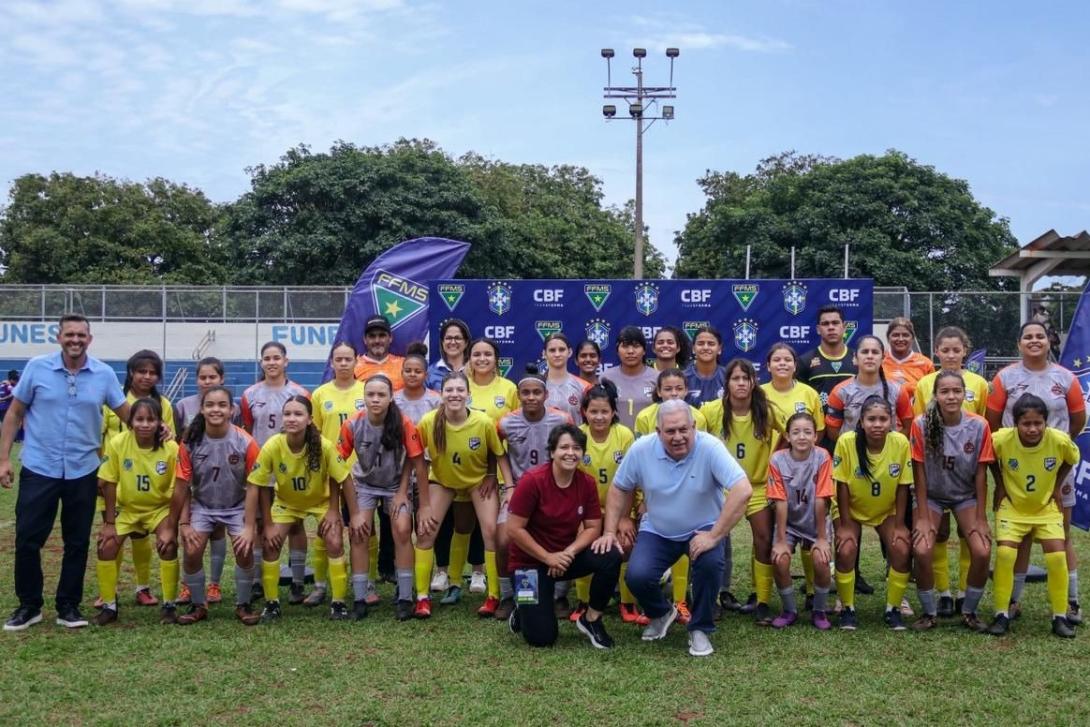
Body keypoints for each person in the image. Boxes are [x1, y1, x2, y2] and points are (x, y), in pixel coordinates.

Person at [593, 400, 753, 657]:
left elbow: (742, 489)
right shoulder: (642, 449)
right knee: (637, 575)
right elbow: (619, 487)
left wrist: (714, 535)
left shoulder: (711, 447)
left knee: (710, 565)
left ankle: (699, 628)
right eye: (670, 431)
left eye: (683, 430)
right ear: (658, 432)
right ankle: (661, 613)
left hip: (703, 528)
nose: (678, 437)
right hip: (657, 529)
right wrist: (610, 531)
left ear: (694, 426)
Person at [1, 314, 127, 632]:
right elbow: (15, 414)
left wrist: (157, 425)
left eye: (81, 335)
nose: (75, 340)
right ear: (59, 337)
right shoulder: (37, 368)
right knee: (28, 539)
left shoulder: (103, 374)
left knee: (77, 541)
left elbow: (127, 413)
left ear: (90, 339)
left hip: (83, 469)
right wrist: (3, 459)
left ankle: (67, 606)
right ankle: (29, 606)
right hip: (39, 467)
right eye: (69, 334)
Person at [987, 321, 1086, 625]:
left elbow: (1078, 421)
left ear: (1049, 341)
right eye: (1027, 337)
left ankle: (1071, 603)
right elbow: (991, 424)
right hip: (1017, 467)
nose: (1034, 341)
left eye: (1039, 336)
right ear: (1019, 344)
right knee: (1020, 538)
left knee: (1062, 535)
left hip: (1052, 467)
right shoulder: (1005, 378)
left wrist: (1053, 447)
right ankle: (1012, 601)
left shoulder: (1065, 378)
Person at [507, 425, 622, 649]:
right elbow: (513, 529)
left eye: (577, 448)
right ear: (552, 452)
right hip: (527, 563)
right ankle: (523, 607)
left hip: (565, 558)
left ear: (582, 453)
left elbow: (592, 527)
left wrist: (568, 552)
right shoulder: (532, 480)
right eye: (564, 447)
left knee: (611, 554)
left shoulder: (586, 483)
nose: (571, 453)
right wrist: (548, 557)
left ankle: (591, 619)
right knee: (541, 638)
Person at [412, 372, 515, 619]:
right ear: (442, 394)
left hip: (477, 482)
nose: (455, 394)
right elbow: (416, 461)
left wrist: (505, 484)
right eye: (450, 390)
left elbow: (498, 453)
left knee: (490, 531)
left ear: (468, 394)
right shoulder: (428, 421)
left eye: (460, 390)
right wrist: (423, 503)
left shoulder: (483, 421)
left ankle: (493, 596)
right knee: (426, 531)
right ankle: (422, 598)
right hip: (444, 482)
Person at [248, 396, 352, 622]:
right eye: (288, 414)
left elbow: (342, 478)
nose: (292, 419)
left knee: (334, 540)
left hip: (320, 502)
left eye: (298, 414)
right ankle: (272, 603)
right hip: (286, 504)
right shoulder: (273, 445)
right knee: (270, 544)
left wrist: (335, 511)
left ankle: (339, 603)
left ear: (309, 420)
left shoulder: (323, 445)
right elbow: (260, 484)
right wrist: (267, 524)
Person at [987, 394, 1080, 638]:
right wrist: (1000, 483)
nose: (1032, 429)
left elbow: (1071, 460)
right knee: (1006, 553)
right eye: (1026, 424)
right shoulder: (1001, 439)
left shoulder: (1059, 441)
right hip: (1013, 507)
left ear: (1046, 423)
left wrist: (1057, 487)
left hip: (1045, 508)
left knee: (1057, 556)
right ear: (1015, 423)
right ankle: (1001, 613)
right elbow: (989, 459)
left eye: (1038, 423)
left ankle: (1059, 616)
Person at [339, 375, 431, 622]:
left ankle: (404, 596)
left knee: (402, 529)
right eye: (371, 394)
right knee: (359, 532)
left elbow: (418, 464)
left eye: (381, 395)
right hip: (365, 485)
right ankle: (359, 597)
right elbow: (336, 464)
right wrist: (351, 507)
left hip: (395, 485)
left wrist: (418, 502)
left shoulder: (404, 423)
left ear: (391, 397)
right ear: (364, 397)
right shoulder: (352, 424)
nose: (376, 399)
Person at [911, 326, 990, 613]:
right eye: (944, 391)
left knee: (979, 547)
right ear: (935, 394)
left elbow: (981, 472)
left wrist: (982, 517)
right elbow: (918, 468)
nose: (952, 396)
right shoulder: (921, 422)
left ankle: (967, 608)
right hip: (932, 492)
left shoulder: (979, 421)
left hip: (964, 491)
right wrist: (920, 514)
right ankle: (935, 606)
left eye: (957, 391)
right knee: (925, 544)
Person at [172, 386, 263, 625]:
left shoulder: (246, 442)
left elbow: (255, 485)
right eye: (210, 405)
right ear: (201, 409)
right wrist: (183, 522)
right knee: (192, 550)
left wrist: (249, 526)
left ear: (231, 409)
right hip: (202, 506)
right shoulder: (190, 441)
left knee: (244, 549)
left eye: (222, 405)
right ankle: (198, 604)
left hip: (236, 506)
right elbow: (183, 484)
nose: (216, 409)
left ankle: (243, 604)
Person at [700, 358, 782, 624]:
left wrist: (780, 459)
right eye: (735, 379)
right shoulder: (712, 411)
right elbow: (694, 439)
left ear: (753, 382)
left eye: (746, 379)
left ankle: (762, 600)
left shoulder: (766, 410)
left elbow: (795, 432)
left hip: (757, 487)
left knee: (763, 539)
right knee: (715, 539)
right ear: (727, 383)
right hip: (722, 489)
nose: (741, 383)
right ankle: (711, 599)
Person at [96, 349, 177, 610]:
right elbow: (98, 436)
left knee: (142, 539)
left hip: (150, 481)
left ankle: (143, 587)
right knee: (112, 537)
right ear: (131, 372)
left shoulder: (163, 404)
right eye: (142, 371)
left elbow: (169, 441)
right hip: (116, 479)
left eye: (153, 372)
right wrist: (101, 471)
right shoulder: (114, 399)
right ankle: (109, 593)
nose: (147, 376)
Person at [635, 368, 710, 624]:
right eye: (668, 389)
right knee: (649, 553)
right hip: (657, 494)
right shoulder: (646, 416)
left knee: (692, 545)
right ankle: (652, 605)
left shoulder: (697, 415)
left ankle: (681, 600)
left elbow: (703, 456)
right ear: (658, 391)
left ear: (686, 390)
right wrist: (642, 500)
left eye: (678, 388)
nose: (674, 393)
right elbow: (642, 464)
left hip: (691, 493)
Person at [832, 396, 914, 630]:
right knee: (846, 548)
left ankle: (893, 609)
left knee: (901, 547)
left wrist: (899, 524)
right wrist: (846, 525)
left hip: (886, 509)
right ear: (861, 421)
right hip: (850, 508)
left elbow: (902, 486)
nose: (877, 424)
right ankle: (847, 608)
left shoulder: (900, 443)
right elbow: (842, 485)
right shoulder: (847, 442)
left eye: (882, 419)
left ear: (892, 421)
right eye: (871, 419)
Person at [496, 369, 571, 620]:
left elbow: (571, 451)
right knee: (504, 539)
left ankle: (559, 595)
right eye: (526, 393)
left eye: (536, 392)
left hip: (552, 488)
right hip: (519, 489)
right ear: (518, 395)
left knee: (560, 537)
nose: (531, 397)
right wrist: (508, 485)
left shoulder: (561, 420)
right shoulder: (506, 422)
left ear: (546, 394)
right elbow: (497, 451)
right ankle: (507, 596)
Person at [240, 341, 311, 604]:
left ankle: (298, 581)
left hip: (290, 469)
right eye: (266, 358)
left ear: (285, 361)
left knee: (295, 523)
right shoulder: (250, 395)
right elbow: (247, 430)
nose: (271, 362)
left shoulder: (299, 392)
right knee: (260, 523)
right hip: (261, 469)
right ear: (261, 363)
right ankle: (259, 580)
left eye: (276, 358)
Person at [761, 342, 827, 610]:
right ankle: (766, 599)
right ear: (768, 365)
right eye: (776, 360)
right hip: (776, 469)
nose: (782, 364)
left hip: (805, 469)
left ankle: (814, 594)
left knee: (813, 543)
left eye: (787, 359)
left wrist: (803, 455)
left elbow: (819, 430)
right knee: (771, 541)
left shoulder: (808, 393)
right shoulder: (759, 394)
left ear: (795, 364)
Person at [172, 356, 239, 607]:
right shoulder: (183, 406)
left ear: (221, 378)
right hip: (194, 473)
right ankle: (188, 586)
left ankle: (214, 584)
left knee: (217, 529)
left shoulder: (232, 406)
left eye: (213, 377)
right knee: (190, 533)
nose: (207, 381)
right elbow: (180, 439)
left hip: (222, 475)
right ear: (196, 379)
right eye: (203, 377)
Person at [308, 341, 368, 608]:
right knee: (326, 528)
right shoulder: (320, 394)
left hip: (361, 472)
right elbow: (314, 436)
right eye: (338, 359)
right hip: (329, 473)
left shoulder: (367, 391)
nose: (343, 364)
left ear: (357, 362)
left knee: (365, 528)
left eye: (348, 359)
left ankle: (368, 581)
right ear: (332, 363)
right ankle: (320, 585)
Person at [575, 381, 638, 622]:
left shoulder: (623, 435)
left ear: (613, 412)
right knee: (582, 543)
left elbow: (629, 481)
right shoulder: (578, 436)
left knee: (626, 543)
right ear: (584, 412)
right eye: (593, 411)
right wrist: (582, 520)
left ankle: (627, 602)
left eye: (604, 411)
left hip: (617, 509)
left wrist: (624, 516)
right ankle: (584, 601)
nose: (599, 417)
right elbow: (574, 483)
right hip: (587, 511)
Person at [767, 412, 834, 630]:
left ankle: (819, 610)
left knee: (821, 560)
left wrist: (822, 538)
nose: (802, 437)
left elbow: (821, 497)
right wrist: (780, 540)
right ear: (787, 436)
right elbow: (780, 502)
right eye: (796, 432)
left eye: (807, 432)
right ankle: (789, 610)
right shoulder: (777, 459)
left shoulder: (822, 456)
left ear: (816, 436)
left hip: (816, 521)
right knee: (779, 559)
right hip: (790, 523)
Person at [825, 335, 914, 440]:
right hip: (852, 454)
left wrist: (892, 446)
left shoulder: (897, 390)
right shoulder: (840, 392)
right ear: (855, 357)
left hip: (889, 455)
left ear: (883, 358)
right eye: (865, 352)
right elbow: (832, 431)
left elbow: (908, 426)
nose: (870, 356)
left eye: (875, 352)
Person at [796, 304, 857, 410]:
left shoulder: (858, 359)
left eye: (835, 323)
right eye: (825, 324)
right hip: (818, 425)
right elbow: (799, 399)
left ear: (844, 327)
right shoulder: (804, 361)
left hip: (852, 425)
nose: (831, 327)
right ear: (818, 329)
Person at [601, 326, 658, 431]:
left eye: (636, 346)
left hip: (647, 441)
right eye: (625, 346)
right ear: (617, 351)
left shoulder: (657, 378)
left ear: (644, 351)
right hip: (616, 442)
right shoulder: (606, 378)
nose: (630, 351)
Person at [542, 333, 591, 425]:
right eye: (552, 350)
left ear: (569, 352)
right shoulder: (536, 386)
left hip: (575, 438)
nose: (557, 354)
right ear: (544, 354)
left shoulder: (584, 387)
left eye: (562, 350)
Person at [882, 317, 934, 402]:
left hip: (916, 413)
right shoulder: (879, 361)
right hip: (885, 413)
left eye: (905, 335)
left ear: (912, 338)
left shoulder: (926, 364)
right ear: (888, 338)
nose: (901, 339)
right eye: (896, 335)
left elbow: (931, 395)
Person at [353, 315, 405, 390]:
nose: (377, 341)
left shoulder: (404, 365)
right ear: (364, 339)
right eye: (372, 336)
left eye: (382, 335)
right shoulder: (354, 366)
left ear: (390, 338)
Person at [683, 326, 726, 408]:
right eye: (700, 343)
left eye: (711, 344)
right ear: (693, 348)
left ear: (719, 349)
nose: (706, 347)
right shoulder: (682, 378)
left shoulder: (729, 377)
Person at [426, 318, 470, 391]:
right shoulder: (430, 372)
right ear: (442, 342)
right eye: (448, 338)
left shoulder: (475, 370)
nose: (453, 342)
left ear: (466, 343)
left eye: (458, 338)